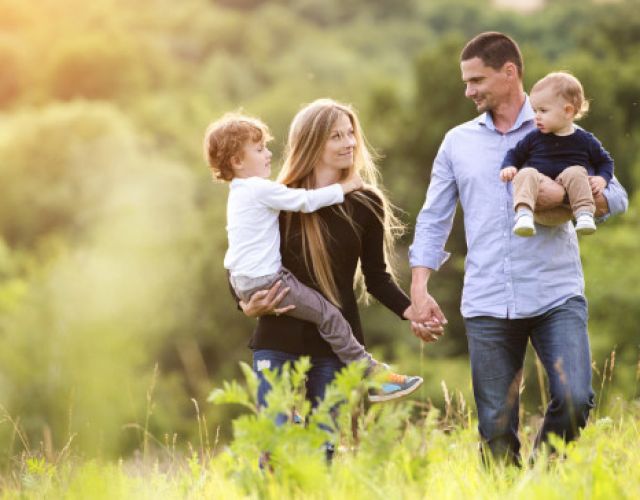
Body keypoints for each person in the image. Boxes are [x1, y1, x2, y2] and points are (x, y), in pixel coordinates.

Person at [409, 32, 628, 464]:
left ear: (509, 73)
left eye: (476, 80)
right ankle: (508, 489)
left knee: (575, 398)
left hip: (555, 293)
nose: (468, 91)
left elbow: (617, 197)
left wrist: (566, 197)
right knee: (495, 429)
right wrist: (419, 287)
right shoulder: (457, 142)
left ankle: (540, 480)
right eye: (466, 82)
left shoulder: (563, 127)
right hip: (488, 298)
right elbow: (434, 217)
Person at [207, 105, 424, 409]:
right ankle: (371, 372)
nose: (349, 143)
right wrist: (244, 304)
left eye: (350, 133)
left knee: (325, 438)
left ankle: (372, 374)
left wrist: (413, 311)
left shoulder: (365, 202)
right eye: (336, 136)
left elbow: (376, 277)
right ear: (312, 143)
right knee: (278, 436)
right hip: (278, 342)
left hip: (334, 350)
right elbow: (242, 255)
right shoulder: (280, 199)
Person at [500, 71, 614, 237]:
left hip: (568, 208)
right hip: (538, 206)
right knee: (526, 172)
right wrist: (509, 166)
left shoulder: (585, 140)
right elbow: (514, 154)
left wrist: (602, 178)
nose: (536, 117)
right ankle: (523, 214)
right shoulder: (534, 137)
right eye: (534, 110)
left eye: (543, 111)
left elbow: (605, 162)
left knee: (576, 171)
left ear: (568, 111)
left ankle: (584, 215)